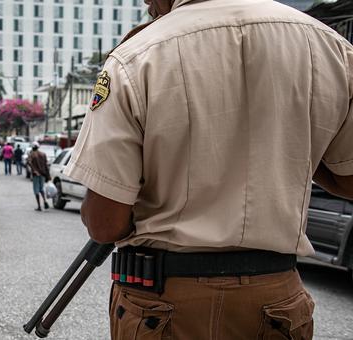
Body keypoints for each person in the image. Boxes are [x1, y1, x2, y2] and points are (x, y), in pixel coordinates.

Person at [63, 0, 353, 338]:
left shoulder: (137, 55)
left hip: (162, 303)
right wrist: (294, 134)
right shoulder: (330, 46)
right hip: (276, 304)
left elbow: (104, 223)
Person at [28, 142, 50, 211]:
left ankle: (39, 206)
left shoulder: (31, 154)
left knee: (36, 190)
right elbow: (46, 165)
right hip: (43, 174)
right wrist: (48, 175)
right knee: (41, 189)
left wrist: (35, 171)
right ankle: (45, 201)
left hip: (36, 175)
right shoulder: (43, 154)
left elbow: (29, 163)